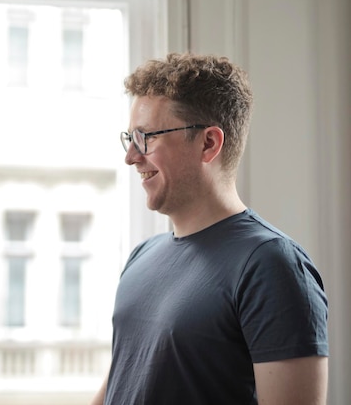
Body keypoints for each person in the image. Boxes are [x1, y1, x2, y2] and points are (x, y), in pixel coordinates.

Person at [91, 53, 328, 405]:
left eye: (146, 138)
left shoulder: (271, 265)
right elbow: (119, 386)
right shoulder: (142, 256)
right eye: (130, 138)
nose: (131, 156)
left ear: (208, 144)